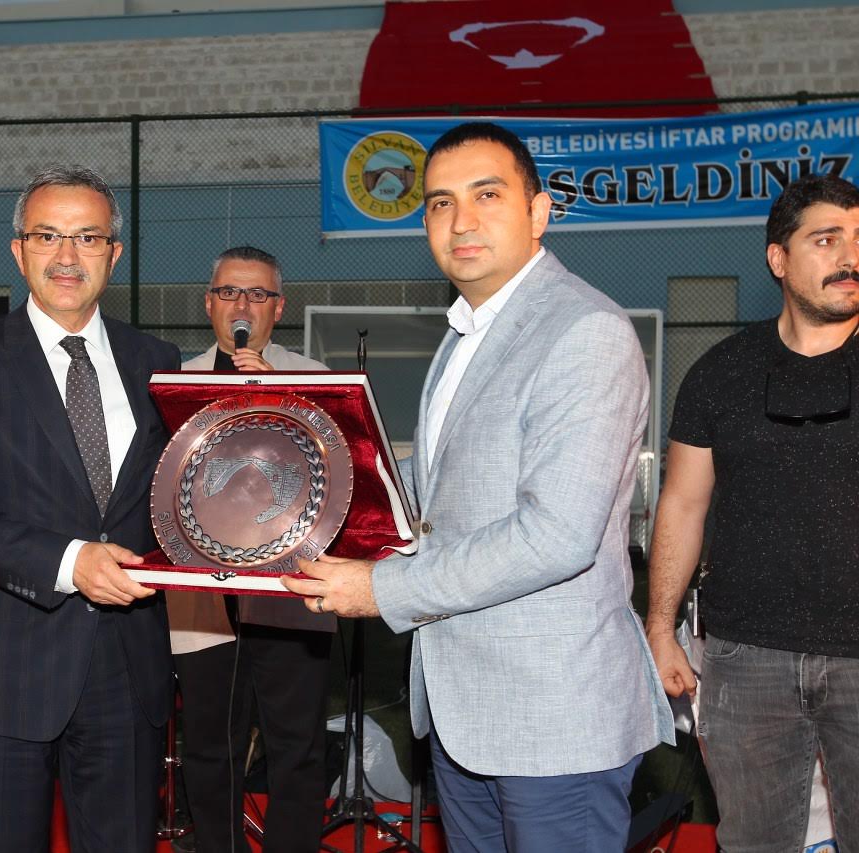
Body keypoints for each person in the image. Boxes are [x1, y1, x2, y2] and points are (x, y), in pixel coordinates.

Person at [283, 121, 673, 852]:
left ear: (538, 212)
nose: (460, 220)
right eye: (439, 203)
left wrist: (381, 588)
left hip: (552, 719)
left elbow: (557, 535)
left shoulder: (584, 330)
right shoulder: (468, 333)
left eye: (486, 195)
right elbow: (440, 501)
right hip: (465, 710)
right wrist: (319, 518)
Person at [0, 164, 181, 852]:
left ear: (114, 254)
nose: (67, 256)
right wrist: (71, 562)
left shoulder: (158, 360)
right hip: (6, 667)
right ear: (18, 250)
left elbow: (175, 501)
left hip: (129, 670)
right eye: (47, 235)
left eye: (87, 237)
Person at [645, 173, 859, 852]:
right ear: (778, 258)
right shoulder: (720, 372)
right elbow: (682, 504)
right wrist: (660, 626)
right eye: (827, 240)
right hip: (745, 660)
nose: (850, 257)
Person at [169, 246, 333, 853]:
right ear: (209, 303)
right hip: (201, 600)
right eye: (229, 292)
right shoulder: (174, 381)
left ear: (278, 308)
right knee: (210, 745)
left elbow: (332, 482)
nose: (242, 305)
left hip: (290, 594)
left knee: (297, 745)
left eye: (257, 294)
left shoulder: (314, 379)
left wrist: (273, 389)